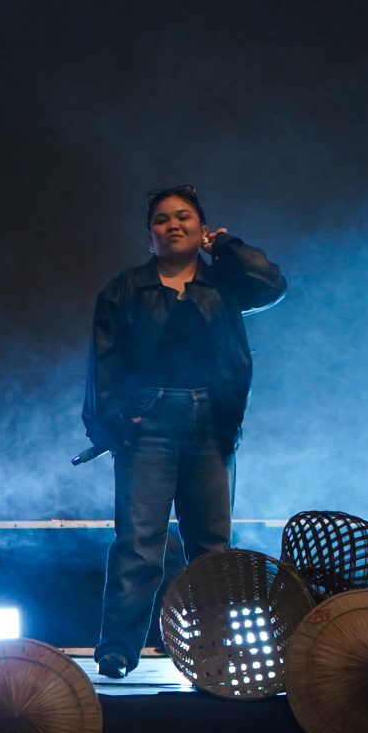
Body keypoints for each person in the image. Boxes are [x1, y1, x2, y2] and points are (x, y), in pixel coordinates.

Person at [83, 185, 287, 679]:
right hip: (148, 421)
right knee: (139, 542)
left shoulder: (224, 285)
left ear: (202, 229)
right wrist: (113, 424)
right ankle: (117, 651)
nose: (172, 225)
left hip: (211, 420)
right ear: (149, 234)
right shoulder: (125, 290)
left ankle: (213, 653)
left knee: (211, 547)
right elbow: (102, 366)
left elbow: (272, 284)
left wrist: (228, 248)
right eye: (161, 219)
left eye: (183, 217)